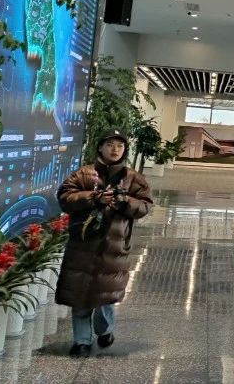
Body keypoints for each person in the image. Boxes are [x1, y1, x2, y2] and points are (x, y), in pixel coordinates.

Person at [56, 130, 153, 357]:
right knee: (80, 295)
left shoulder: (133, 178)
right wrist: (92, 198)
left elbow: (145, 206)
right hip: (83, 246)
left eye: (120, 145)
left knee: (105, 295)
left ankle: (105, 330)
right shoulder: (83, 174)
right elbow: (65, 197)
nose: (115, 149)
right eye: (110, 144)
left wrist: (124, 200)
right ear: (100, 147)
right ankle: (81, 341)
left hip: (114, 247)